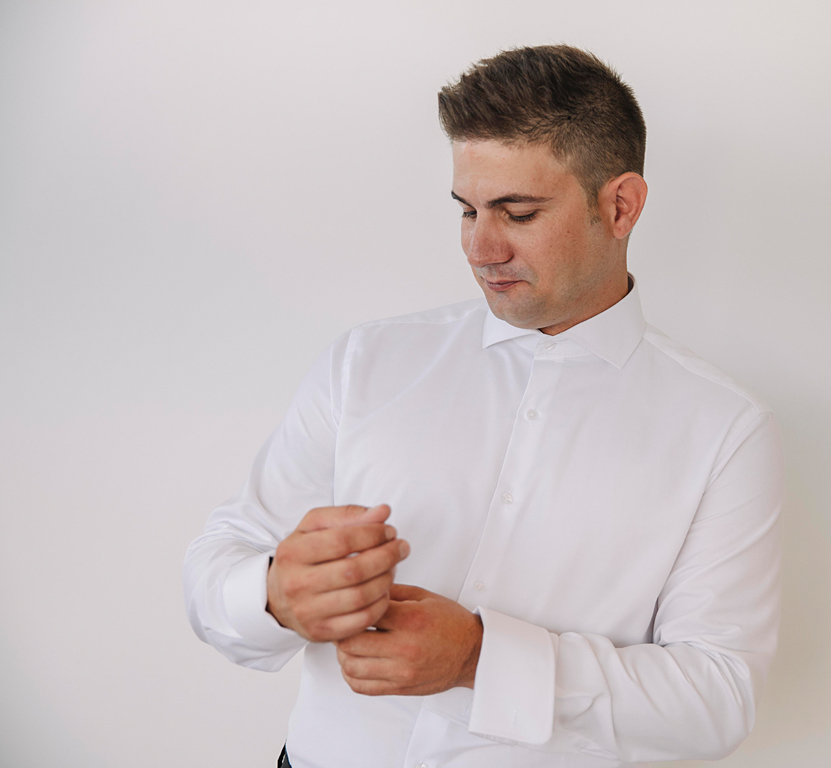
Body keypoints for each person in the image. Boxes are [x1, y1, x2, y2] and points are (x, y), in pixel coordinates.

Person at [184, 44, 783, 768]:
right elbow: (223, 558)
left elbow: (717, 701)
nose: (480, 247)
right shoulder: (365, 363)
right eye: (467, 210)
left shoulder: (723, 429)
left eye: (517, 213)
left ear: (620, 205)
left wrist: (482, 658)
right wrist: (275, 595)